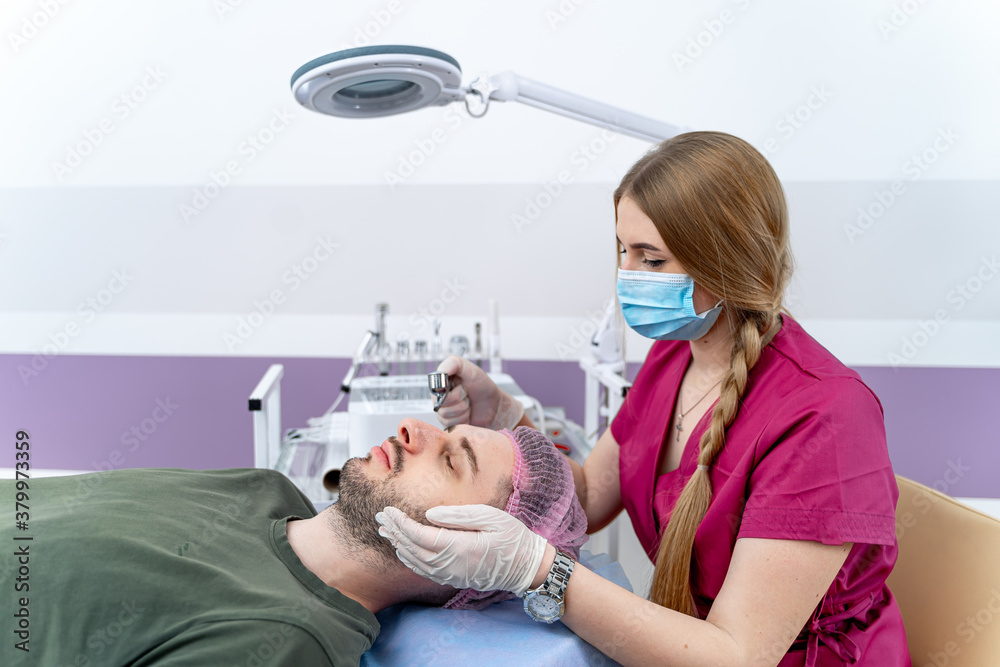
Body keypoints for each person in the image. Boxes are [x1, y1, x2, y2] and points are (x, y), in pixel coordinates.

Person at [376, 131, 910, 666]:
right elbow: (588, 495)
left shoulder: (825, 416)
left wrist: (540, 571)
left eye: (652, 261)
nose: (628, 277)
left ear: (727, 262)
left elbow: (736, 656)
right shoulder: (675, 358)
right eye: (622, 251)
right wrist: (508, 421)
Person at [0, 419, 586, 666]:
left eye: (453, 459)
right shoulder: (266, 489)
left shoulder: (284, 640)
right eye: (445, 428)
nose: (414, 429)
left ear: (474, 553)